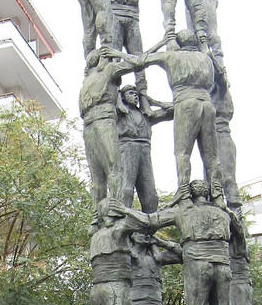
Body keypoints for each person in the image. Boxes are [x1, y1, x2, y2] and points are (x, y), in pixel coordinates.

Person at [118, 179, 237, 305]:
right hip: (223, 264)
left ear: (188, 194)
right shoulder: (222, 213)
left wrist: (125, 210)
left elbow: (150, 221)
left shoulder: (183, 211)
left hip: (198, 263)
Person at [106, 29, 222, 189]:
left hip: (185, 103)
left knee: (182, 152)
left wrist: (117, 53)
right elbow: (220, 81)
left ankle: (183, 192)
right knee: (212, 155)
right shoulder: (206, 59)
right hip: (207, 105)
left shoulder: (170, 56)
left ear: (179, 43)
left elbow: (140, 60)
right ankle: (216, 193)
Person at [81, 50, 140, 221]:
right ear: (102, 61)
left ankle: (96, 217)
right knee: (115, 168)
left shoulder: (86, 81)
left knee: (97, 177)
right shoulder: (107, 70)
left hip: (88, 126)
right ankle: (114, 211)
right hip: (103, 122)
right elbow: (136, 62)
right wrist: (116, 53)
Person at [106, 0, 157, 96]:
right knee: (115, 59)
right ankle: (114, 96)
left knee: (139, 60)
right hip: (114, 19)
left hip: (133, 20)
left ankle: (144, 98)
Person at [117, 85, 172, 214]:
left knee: (150, 193)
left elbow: (173, 110)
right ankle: (122, 219)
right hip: (127, 147)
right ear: (123, 96)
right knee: (126, 187)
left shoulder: (147, 115)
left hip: (145, 150)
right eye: (131, 93)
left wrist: (151, 101)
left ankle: (149, 225)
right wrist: (118, 97)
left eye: (137, 94)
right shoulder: (119, 113)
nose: (135, 96)